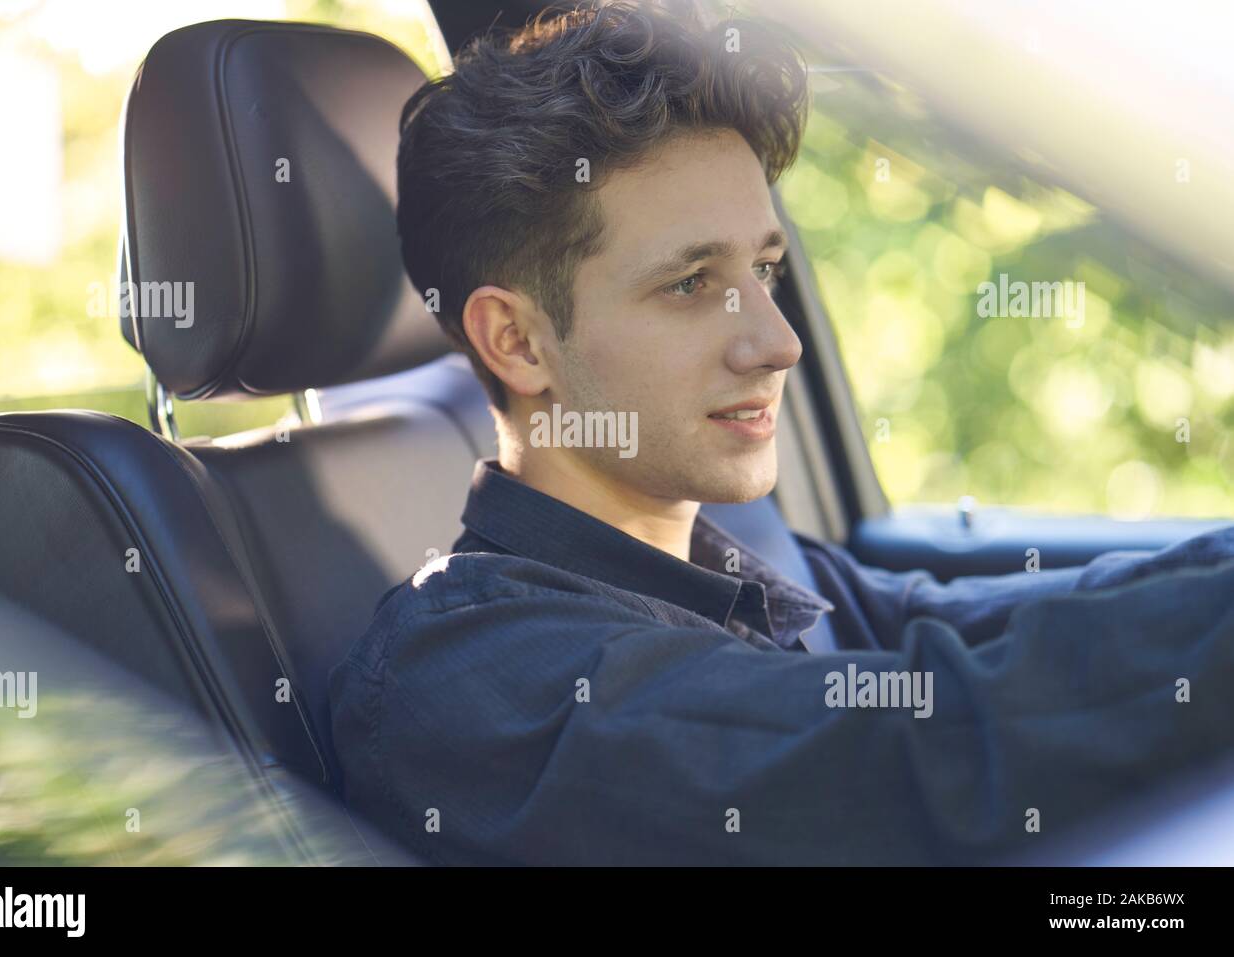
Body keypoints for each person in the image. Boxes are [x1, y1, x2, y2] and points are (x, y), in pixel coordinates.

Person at [328, 0, 1234, 865]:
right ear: (518, 341)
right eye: (690, 283)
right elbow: (913, 745)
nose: (779, 340)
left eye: (764, 268)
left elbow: (1001, 628)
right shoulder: (467, 682)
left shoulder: (743, 572)